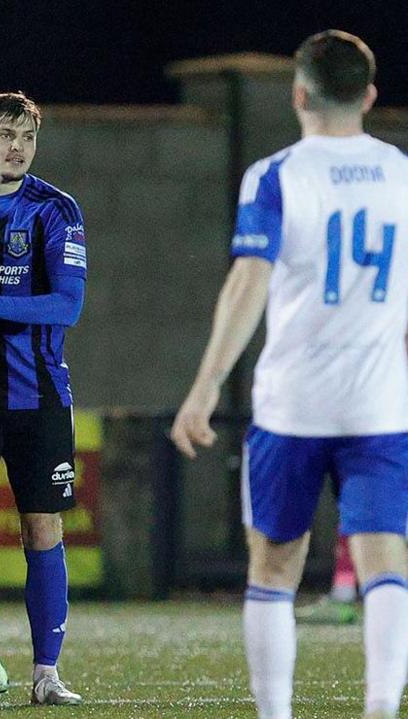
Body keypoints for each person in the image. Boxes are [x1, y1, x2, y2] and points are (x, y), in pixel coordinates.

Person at [171, 30, 408, 719]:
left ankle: (275, 714)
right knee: (385, 562)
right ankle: (380, 706)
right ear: (367, 96)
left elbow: (248, 281)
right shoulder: (400, 172)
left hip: (291, 405)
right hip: (379, 405)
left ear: (298, 93)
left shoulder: (276, 175)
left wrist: (207, 384)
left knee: (273, 569)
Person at [0, 91, 88, 706]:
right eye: (5, 135)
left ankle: (46, 673)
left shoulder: (55, 210)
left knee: (43, 528)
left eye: (27, 137)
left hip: (38, 396)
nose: (18, 148)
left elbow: (68, 304)